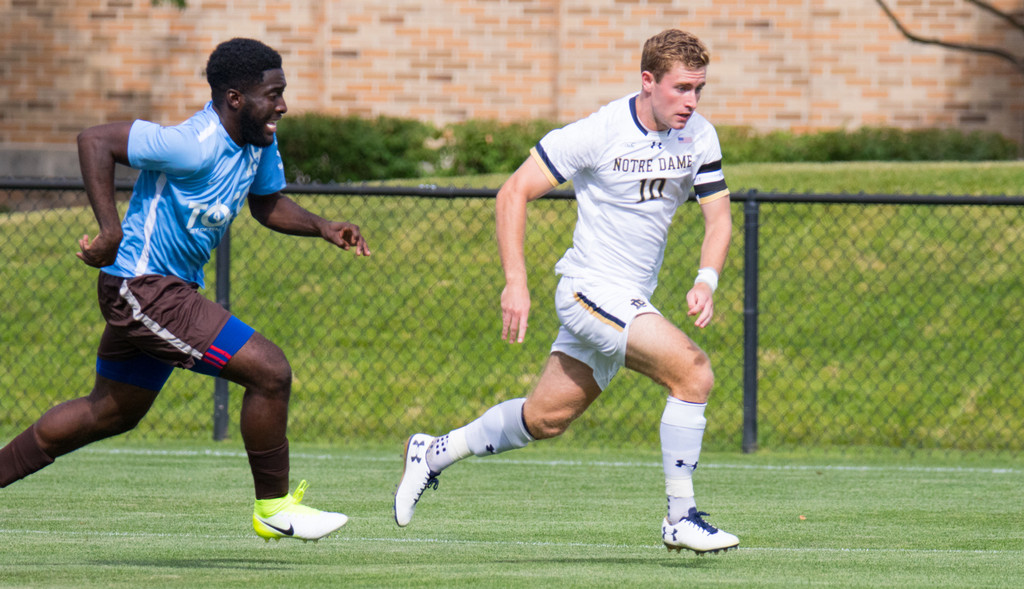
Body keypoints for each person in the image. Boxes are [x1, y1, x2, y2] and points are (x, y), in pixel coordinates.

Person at [0, 38, 370, 543]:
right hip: (143, 286)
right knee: (270, 372)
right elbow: (94, 140)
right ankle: (274, 507)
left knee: (109, 412)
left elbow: (267, 204)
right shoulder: (191, 143)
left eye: (284, 93)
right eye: (274, 94)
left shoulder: (258, 141)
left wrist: (323, 225)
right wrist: (109, 230)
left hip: (163, 291)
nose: (283, 105)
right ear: (235, 98)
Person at [393, 29, 737, 554]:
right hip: (588, 290)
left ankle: (433, 451)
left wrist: (705, 279)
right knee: (693, 371)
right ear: (648, 81)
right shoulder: (599, 131)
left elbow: (718, 220)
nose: (691, 101)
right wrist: (516, 281)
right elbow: (513, 192)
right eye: (681, 88)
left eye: (699, 90)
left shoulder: (700, 136)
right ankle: (680, 516)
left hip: (631, 300)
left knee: (545, 418)